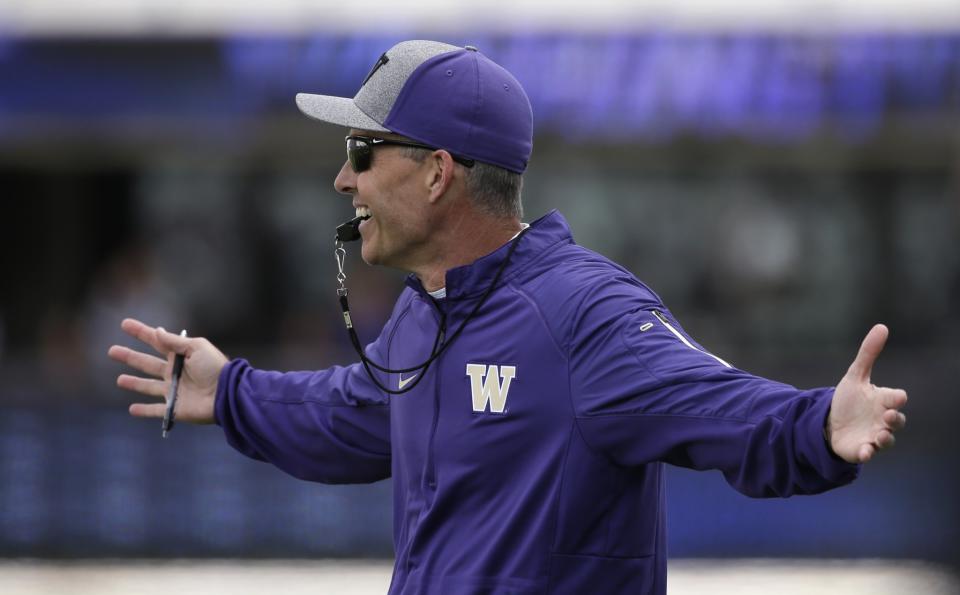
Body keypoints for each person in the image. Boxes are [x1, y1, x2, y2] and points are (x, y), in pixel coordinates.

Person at [108, 40, 908, 595]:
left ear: (435, 175)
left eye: (360, 151)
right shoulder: (424, 314)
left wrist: (817, 425)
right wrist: (231, 392)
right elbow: (353, 412)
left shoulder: (583, 314)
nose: (341, 182)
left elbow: (713, 403)